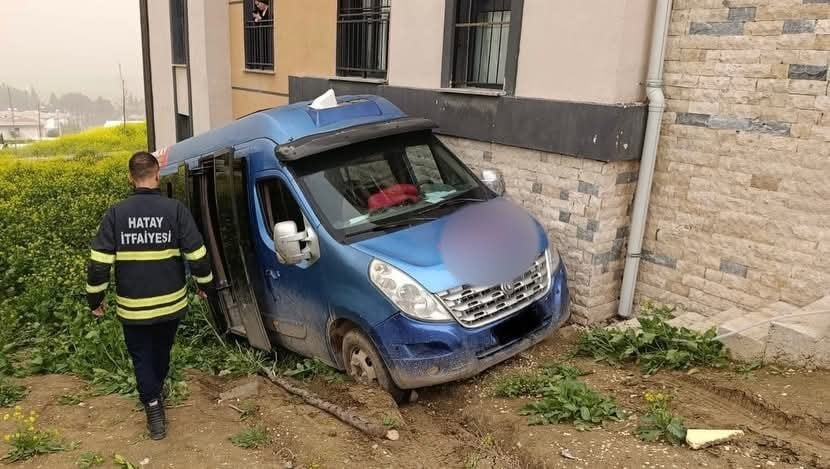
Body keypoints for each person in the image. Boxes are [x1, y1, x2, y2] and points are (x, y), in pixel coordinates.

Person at [85, 151, 214, 440]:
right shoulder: (175, 210)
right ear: (157, 174)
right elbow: (198, 256)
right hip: (171, 304)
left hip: (134, 310)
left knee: (142, 356)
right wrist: (205, 287)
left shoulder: (116, 214)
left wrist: (95, 300)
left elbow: (98, 263)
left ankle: (153, 405)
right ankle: (156, 389)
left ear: (131, 177)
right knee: (161, 351)